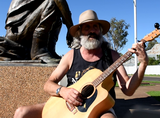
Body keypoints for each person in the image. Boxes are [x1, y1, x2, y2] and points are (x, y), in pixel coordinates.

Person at [13, 10, 148, 118]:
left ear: (100, 30)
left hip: (100, 107)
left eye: (95, 26)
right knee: (21, 113)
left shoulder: (112, 55)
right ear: (80, 32)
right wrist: (63, 91)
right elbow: (48, 84)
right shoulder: (71, 55)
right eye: (87, 27)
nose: (91, 31)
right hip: (67, 105)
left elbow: (128, 90)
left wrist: (143, 64)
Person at [3, 0, 73, 63]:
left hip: (23, 31)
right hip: (16, 34)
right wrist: (70, 29)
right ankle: (39, 52)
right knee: (52, 3)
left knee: (57, 15)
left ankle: (49, 50)